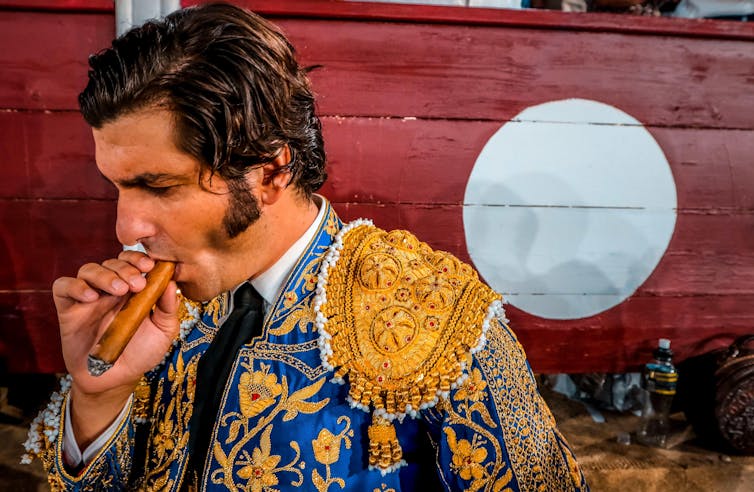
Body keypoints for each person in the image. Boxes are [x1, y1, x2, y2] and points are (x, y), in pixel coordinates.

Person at [23, 3, 589, 491]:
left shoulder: (438, 317)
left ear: (270, 173)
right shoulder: (156, 304)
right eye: (119, 187)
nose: (127, 228)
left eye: (159, 185)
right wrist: (98, 398)